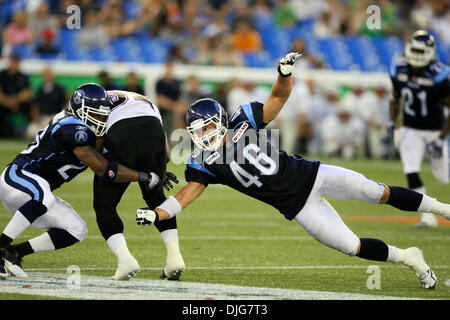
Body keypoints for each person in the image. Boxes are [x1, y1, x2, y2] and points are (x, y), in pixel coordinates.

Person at [136, 52, 450, 290]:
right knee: (351, 246)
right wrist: (157, 214)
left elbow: (278, 96)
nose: (202, 134)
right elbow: (184, 196)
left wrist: (283, 74)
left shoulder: (243, 119)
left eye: (206, 126)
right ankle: (408, 256)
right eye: (196, 130)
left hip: (312, 174)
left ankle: (442, 208)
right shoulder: (202, 162)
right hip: (297, 207)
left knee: (376, 192)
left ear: (219, 119)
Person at [0, 83, 164, 279]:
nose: (101, 119)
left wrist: (151, 167)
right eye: (95, 114)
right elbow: (105, 169)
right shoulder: (72, 127)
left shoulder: (88, 130)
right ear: (79, 109)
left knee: (76, 229)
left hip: (34, 196)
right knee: (44, 196)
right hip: (18, 178)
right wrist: (143, 176)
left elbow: (116, 159)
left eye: (103, 115)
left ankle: (15, 253)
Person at [93, 89, 183, 281]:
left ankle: (125, 260)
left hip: (121, 133)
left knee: (104, 205)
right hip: (154, 133)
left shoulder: (96, 100)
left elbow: (97, 139)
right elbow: (166, 152)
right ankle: (174, 258)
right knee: (157, 201)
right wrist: (160, 169)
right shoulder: (144, 100)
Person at [388, 30, 450, 228]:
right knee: (411, 169)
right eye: (414, 49)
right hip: (411, 128)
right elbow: (395, 99)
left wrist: (441, 138)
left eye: (420, 51)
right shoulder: (399, 68)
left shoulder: (440, 74)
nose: (416, 54)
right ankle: (427, 217)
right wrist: (394, 125)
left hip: (435, 130)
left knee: (443, 177)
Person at [0, 54, 32, 138]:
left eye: (16, 63)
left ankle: (29, 131)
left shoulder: (23, 76)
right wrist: (8, 102)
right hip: (4, 103)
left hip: (19, 103)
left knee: (30, 105)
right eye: (13, 62)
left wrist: (16, 100)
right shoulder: (2, 75)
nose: (14, 65)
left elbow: (28, 93)